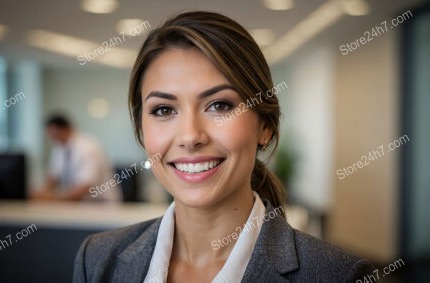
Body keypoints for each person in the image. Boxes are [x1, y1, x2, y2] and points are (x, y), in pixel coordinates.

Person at [73, 11, 373, 282]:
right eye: (164, 110)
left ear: (265, 127)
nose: (190, 136)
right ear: (141, 129)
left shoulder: (338, 275)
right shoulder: (98, 259)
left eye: (219, 105)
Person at [31, 114, 121, 202]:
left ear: (64, 129)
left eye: (53, 133)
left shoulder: (88, 147)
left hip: (99, 204)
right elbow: (53, 177)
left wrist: (56, 198)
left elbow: (86, 186)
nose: (51, 137)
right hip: (77, 205)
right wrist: (42, 193)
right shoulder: (59, 147)